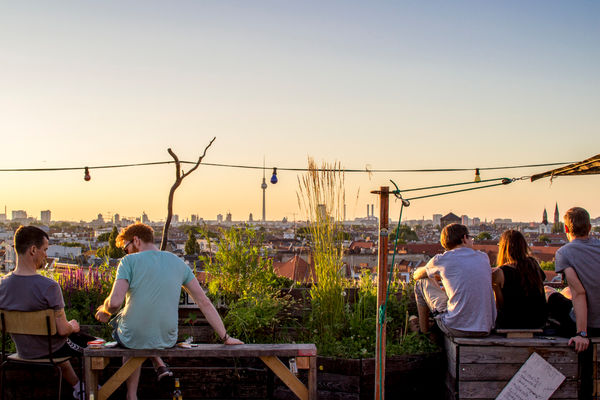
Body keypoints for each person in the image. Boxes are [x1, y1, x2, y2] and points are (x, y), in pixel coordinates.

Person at [95, 223, 242, 400]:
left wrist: (105, 310)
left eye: (126, 248)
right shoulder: (178, 263)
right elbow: (204, 302)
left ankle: (132, 395)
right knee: (140, 334)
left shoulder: (129, 262)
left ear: (136, 240)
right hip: (167, 337)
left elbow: (115, 302)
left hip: (134, 336)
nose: (126, 252)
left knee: (126, 328)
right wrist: (226, 337)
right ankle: (158, 364)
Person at [0, 226, 94, 399]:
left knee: (61, 343)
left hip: (23, 351)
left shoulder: (2, 286)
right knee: (97, 346)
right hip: (50, 351)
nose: (46, 254)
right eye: (45, 249)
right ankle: (93, 391)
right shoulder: (49, 286)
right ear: (33, 250)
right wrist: (72, 326)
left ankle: (78, 388)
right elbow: (62, 331)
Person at [413, 223, 496, 337]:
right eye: (470, 237)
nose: (472, 241)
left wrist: (435, 275)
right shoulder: (483, 257)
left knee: (420, 282)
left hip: (456, 327)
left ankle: (424, 333)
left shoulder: (442, 259)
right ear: (464, 238)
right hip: (485, 327)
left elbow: (416, 275)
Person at [554, 207, 600, 352]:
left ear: (566, 228)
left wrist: (582, 334)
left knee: (551, 295)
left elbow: (579, 293)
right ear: (590, 227)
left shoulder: (564, 253)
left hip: (591, 327)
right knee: (567, 291)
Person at [492, 230, 547, 329]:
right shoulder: (533, 264)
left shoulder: (500, 273)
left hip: (511, 323)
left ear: (503, 248)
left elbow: (499, 304)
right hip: (537, 322)